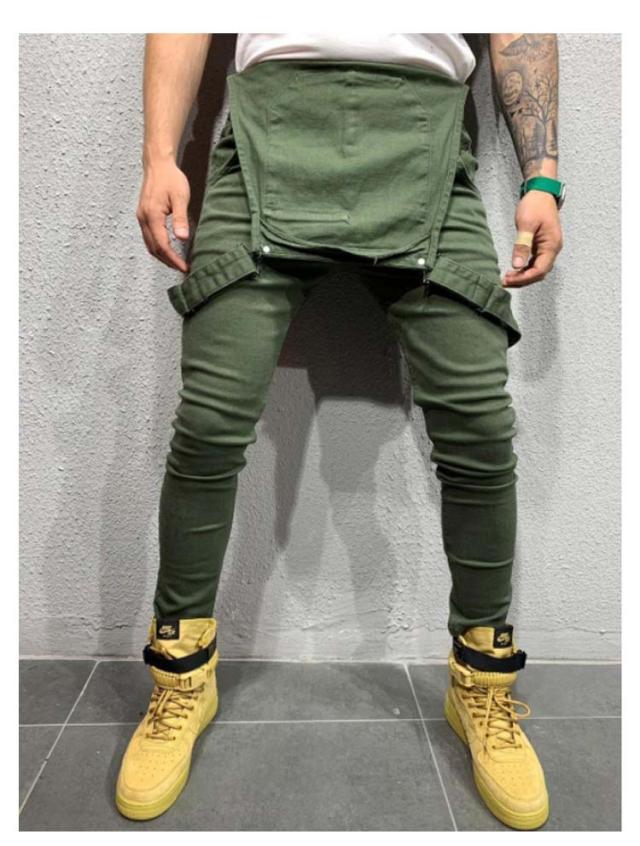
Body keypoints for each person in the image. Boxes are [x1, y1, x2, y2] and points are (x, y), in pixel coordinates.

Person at [115, 33, 564, 830]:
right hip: (268, 133)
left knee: (480, 429)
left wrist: (543, 177)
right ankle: (181, 674)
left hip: (426, 141)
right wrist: (159, 156)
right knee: (210, 421)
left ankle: (483, 683)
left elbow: (519, 25)